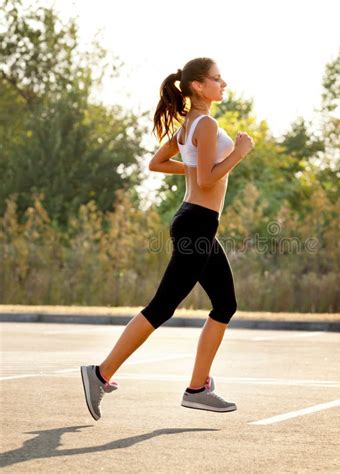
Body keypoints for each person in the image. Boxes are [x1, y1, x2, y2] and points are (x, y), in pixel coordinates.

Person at [80, 57, 255, 420]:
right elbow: (207, 181)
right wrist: (237, 154)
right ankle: (100, 374)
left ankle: (197, 388)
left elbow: (157, 163)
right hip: (196, 224)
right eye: (217, 79)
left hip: (197, 223)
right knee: (162, 306)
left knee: (225, 304)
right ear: (197, 86)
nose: (224, 84)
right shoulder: (205, 123)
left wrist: (194, 166)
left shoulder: (188, 126)